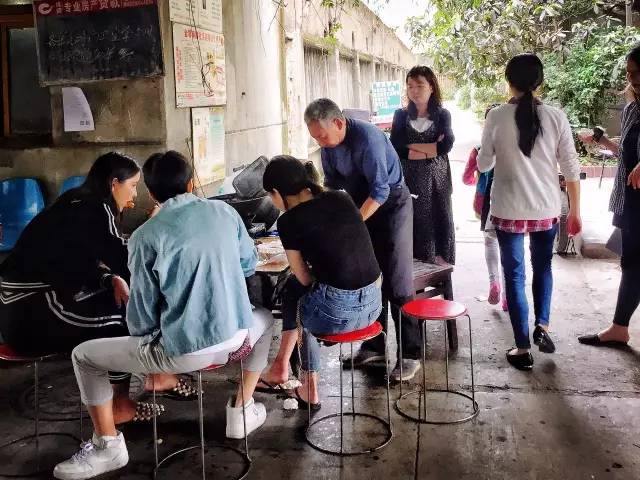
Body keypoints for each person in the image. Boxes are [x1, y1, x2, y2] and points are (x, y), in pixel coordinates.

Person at [53, 151, 274, 480]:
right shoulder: (225, 213)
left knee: (83, 356)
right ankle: (241, 410)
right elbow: (247, 264)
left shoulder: (145, 236)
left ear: (151, 193)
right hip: (236, 339)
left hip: (183, 354)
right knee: (266, 319)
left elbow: (142, 318)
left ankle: (108, 446)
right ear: (191, 184)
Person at [0, 152, 179, 424]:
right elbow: (124, 257)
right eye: (132, 186)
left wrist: (109, 280)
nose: (134, 195)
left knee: (118, 301)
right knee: (121, 319)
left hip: (24, 306)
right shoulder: (95, 208)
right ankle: (120, 405)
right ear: (114, 183)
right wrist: (155, 229)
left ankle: (153, 378)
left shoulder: (76, 202)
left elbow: (76, 259)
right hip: (30, 312)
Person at [477, 54, 582, 371]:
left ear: (508, 82)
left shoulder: (496, 116)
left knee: (515, 276)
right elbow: (571, 168)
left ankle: (522, 348)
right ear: (540, 83)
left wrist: (488, 152)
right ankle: (543, 325)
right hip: (545, 208)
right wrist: (575, 211)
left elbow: (484, 164)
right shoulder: (556, 116)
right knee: (543, 267)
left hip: (508, 208)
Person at [304, 98, 419, 382]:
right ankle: (374, 347)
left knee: (397, 283)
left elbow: (380, 191)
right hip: (360, 208)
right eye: (315, 138)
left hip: (391, 207)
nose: (320, 142)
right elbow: (331, 186)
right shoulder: (328, 146)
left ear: (338, 123)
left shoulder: (368, 139)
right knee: (369, 277)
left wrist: (351, 226)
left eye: (322, 136)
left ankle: (411, 354)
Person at [258, 156, 382, 409]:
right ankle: (281, 367)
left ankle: (308, 386)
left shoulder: (288, 221)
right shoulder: (340, 198)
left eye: (271, 195)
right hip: (374, 303)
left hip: (339, 313)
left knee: (301, 299)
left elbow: (304, 277)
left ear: (277, 193)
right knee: (295, 291)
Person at [578, 44, 640, 347]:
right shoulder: (631, 109)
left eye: (638, 72)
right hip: (631, 200)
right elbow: (625, 156)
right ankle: (619, 327)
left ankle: (619, 326)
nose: (633, 79)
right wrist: (601, 141)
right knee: (631, 263)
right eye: (629, 73)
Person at [391, 65, 456, 265]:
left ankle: (440, 267)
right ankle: (416, 266)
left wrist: (412, 146)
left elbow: (445, 146)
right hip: (410, 177)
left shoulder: (443, 115)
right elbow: (397, 147)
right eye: (410, 86)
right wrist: (430, 149)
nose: (414, 91)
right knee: (414, 219)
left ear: (431, 87)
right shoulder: (400, 115)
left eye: (420, 85)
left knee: (439, 217)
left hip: (438, 180)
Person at [462, 104, 508, 310]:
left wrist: (477, 181)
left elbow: (466, 178)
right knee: (510, 248)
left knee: (490, 242)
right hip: (509, 203)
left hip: (485, 203)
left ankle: (494, 282)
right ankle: (508, 296)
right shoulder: (513, 147)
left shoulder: (479, 150)